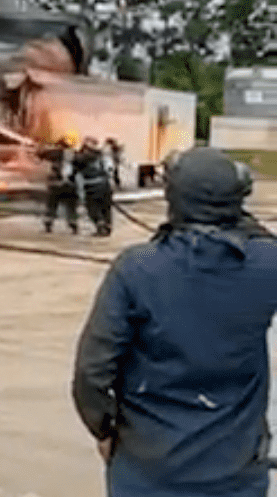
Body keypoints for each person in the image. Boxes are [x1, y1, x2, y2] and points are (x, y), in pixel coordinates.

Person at [72, 148, 277, 496]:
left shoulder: (137, 268)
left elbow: (91, 373)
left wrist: (104, 430)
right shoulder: (267, 263)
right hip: (236, 469)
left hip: (149, 468)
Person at [39, 134, 78, 234]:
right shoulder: (74, 154)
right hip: (70, 184)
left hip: (55, 184)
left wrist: (42, 147)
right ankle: (74, 226)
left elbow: (40, 155)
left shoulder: (54, 153)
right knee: (71, 206)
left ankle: (48, 225)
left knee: (51, 205)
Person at [75, 136, 114, 237]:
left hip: (92, 186)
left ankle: (101, 227)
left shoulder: (82, 157)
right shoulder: (103, 155)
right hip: (105, 185)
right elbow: (110, 168)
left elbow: (75, 169)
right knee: (106, 208)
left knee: (93, 208)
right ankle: (107, 226)